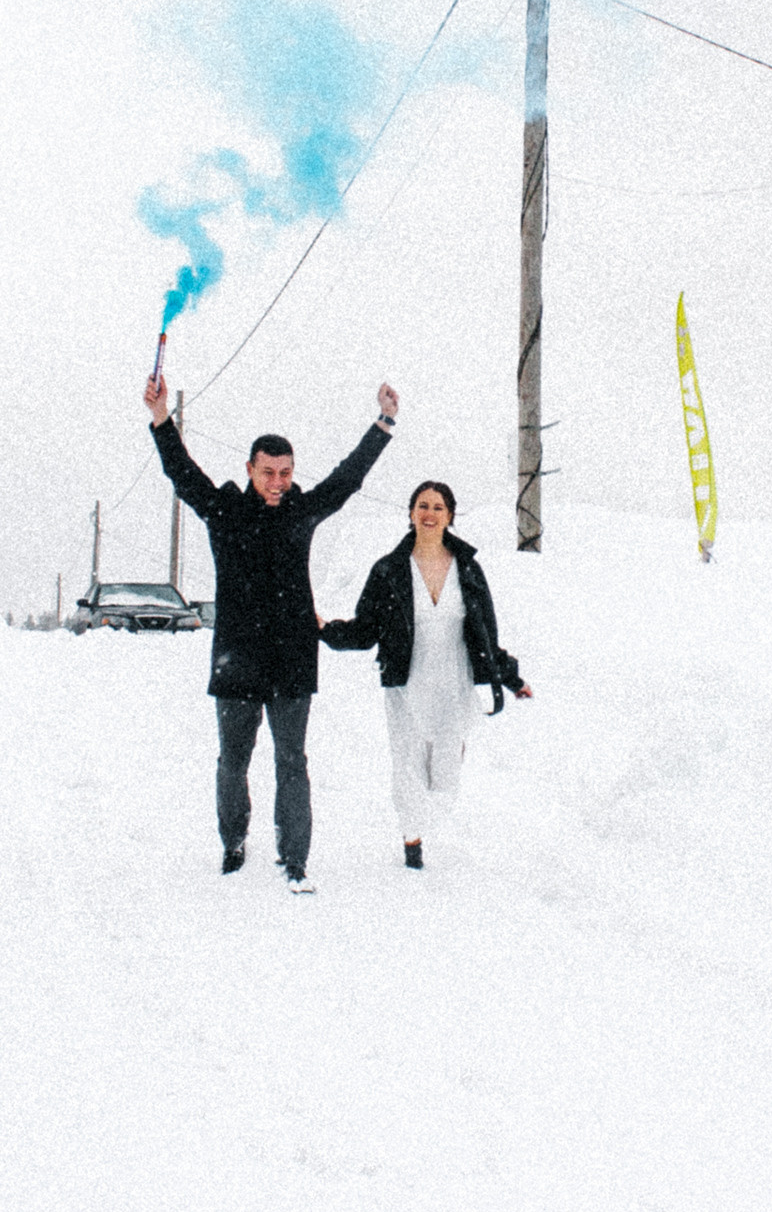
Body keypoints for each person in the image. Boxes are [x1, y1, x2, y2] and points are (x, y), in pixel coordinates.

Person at [144, 369, 396, 893]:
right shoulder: (225, 511)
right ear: (250, 469)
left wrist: (384, 423)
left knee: (292, 761)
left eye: (285, 472)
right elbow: (182, 473)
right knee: (233, 761)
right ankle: (233, 844)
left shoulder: (302, 510)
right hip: (237, 656)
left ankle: (295, 857)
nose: (279, 482)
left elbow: (346, 480)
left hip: (292, 656)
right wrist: (161, 417)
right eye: (268, 472)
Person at [321, 480, 529, 871]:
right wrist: (325, 629)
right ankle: (411, 837)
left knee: (445, 780)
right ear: (411, 513)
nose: (429, 513)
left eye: (437, 507)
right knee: (407, 767)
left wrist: (510, 678)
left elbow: (486, 632)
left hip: (454, 681)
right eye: (422, 505)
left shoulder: (467, 568)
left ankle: (422, 819)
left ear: (450, 516)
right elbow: (365, 630)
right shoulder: (388, 570)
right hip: (406, 682)